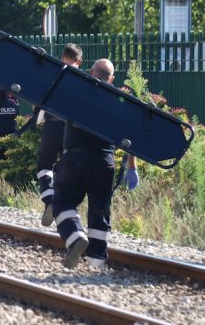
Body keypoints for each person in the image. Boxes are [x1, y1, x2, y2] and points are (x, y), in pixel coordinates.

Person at [53, 58, 135, 269]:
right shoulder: (119, 99)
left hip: (75, 158)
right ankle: (97, 262)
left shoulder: (77, 91)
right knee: (100, 210)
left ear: (91, 72)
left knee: (63, 201)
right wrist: (132, 167)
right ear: (112, 78)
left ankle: (74, 236)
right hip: (104, 161)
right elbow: (131, 136)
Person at [37, 43, 83, 227]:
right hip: (72, 130)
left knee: (44, 164)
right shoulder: (83, 79)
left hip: (52, 126)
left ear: (63, 57)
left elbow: (38, 100)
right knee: (65, 168)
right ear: (79, 60)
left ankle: (50, 201)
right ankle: (65, 208)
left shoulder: (53, 74)